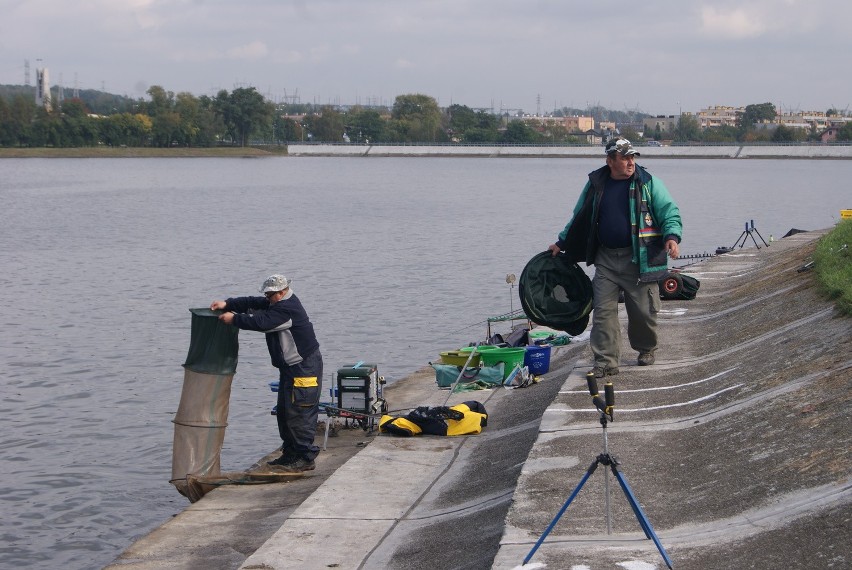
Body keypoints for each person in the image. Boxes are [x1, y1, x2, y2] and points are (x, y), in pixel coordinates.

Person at [548, 138, 682, 378]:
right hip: (606, 260)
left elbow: (669, 211)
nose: (631, 162)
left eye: (633, 157)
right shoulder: (596, 184)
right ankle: (606, 361)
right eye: (625, 158)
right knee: (602, 313)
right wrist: (561, 242)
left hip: (640, 258)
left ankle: (646, 348)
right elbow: (579, 216)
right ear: (610, 161)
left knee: (643, 312)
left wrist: (672, 237)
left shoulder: (648, 183)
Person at [210, 274, 322, 472]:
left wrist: (234, 319)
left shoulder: (287, 309)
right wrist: (227, 303)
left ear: (282, 292)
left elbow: (261, 322)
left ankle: (305, 458)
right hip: (290, 368)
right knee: (285, 411)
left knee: (300, 411)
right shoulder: (275, 303)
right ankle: (290, 454)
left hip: (304, 367)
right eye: (267, 294)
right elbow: (253, 303)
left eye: (271, 295)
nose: (267, 298)